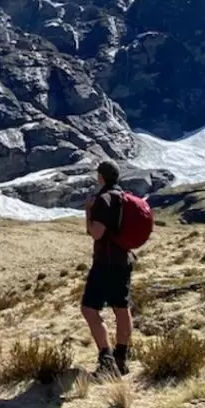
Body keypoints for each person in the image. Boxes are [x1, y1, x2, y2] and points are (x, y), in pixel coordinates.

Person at [81, 161, 135, 377]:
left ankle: (106, 359)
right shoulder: (124, 197)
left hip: (106, 263)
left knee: (89, 308)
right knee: (122, 308)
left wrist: (88, 211)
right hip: (124, 260)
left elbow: (96, 233)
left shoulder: (104, 199)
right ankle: (122, 358)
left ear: (101, 177)